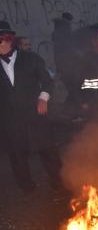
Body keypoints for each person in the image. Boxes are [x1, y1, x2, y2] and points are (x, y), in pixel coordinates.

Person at [0, 21, 62, 192]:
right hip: (10, 119)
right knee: (17, 155)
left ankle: (59, 182)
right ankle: (27, 188)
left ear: (8, 40)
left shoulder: (31, 59)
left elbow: (48, 82)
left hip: (35, 113)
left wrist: (43, 98)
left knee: (47, 149)